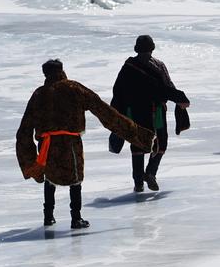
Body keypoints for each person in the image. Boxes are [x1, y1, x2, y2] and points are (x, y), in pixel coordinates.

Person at [16, 59, 155, 228]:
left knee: (49, 178)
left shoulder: (39, 94)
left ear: (45, 74)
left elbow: (24, 129)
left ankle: (48, 216)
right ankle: (76, 218)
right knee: (76, 180)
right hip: (70, 141)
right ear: (61, 70)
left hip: (46, 143)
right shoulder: (74, 88)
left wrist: (29, 160)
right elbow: (103, 110)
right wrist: (135, 132)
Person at [111, 34, 190, 192]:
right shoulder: (158, 65)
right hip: (156, 111)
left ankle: (139, 182)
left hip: (135, 113)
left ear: (136, 49)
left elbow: (118, 92)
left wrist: (115, 113)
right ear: (152, 48)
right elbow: (167, 88)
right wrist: (180, 98)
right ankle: (150, 173)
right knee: (161, 143)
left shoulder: (128, 67)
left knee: (138, 145)